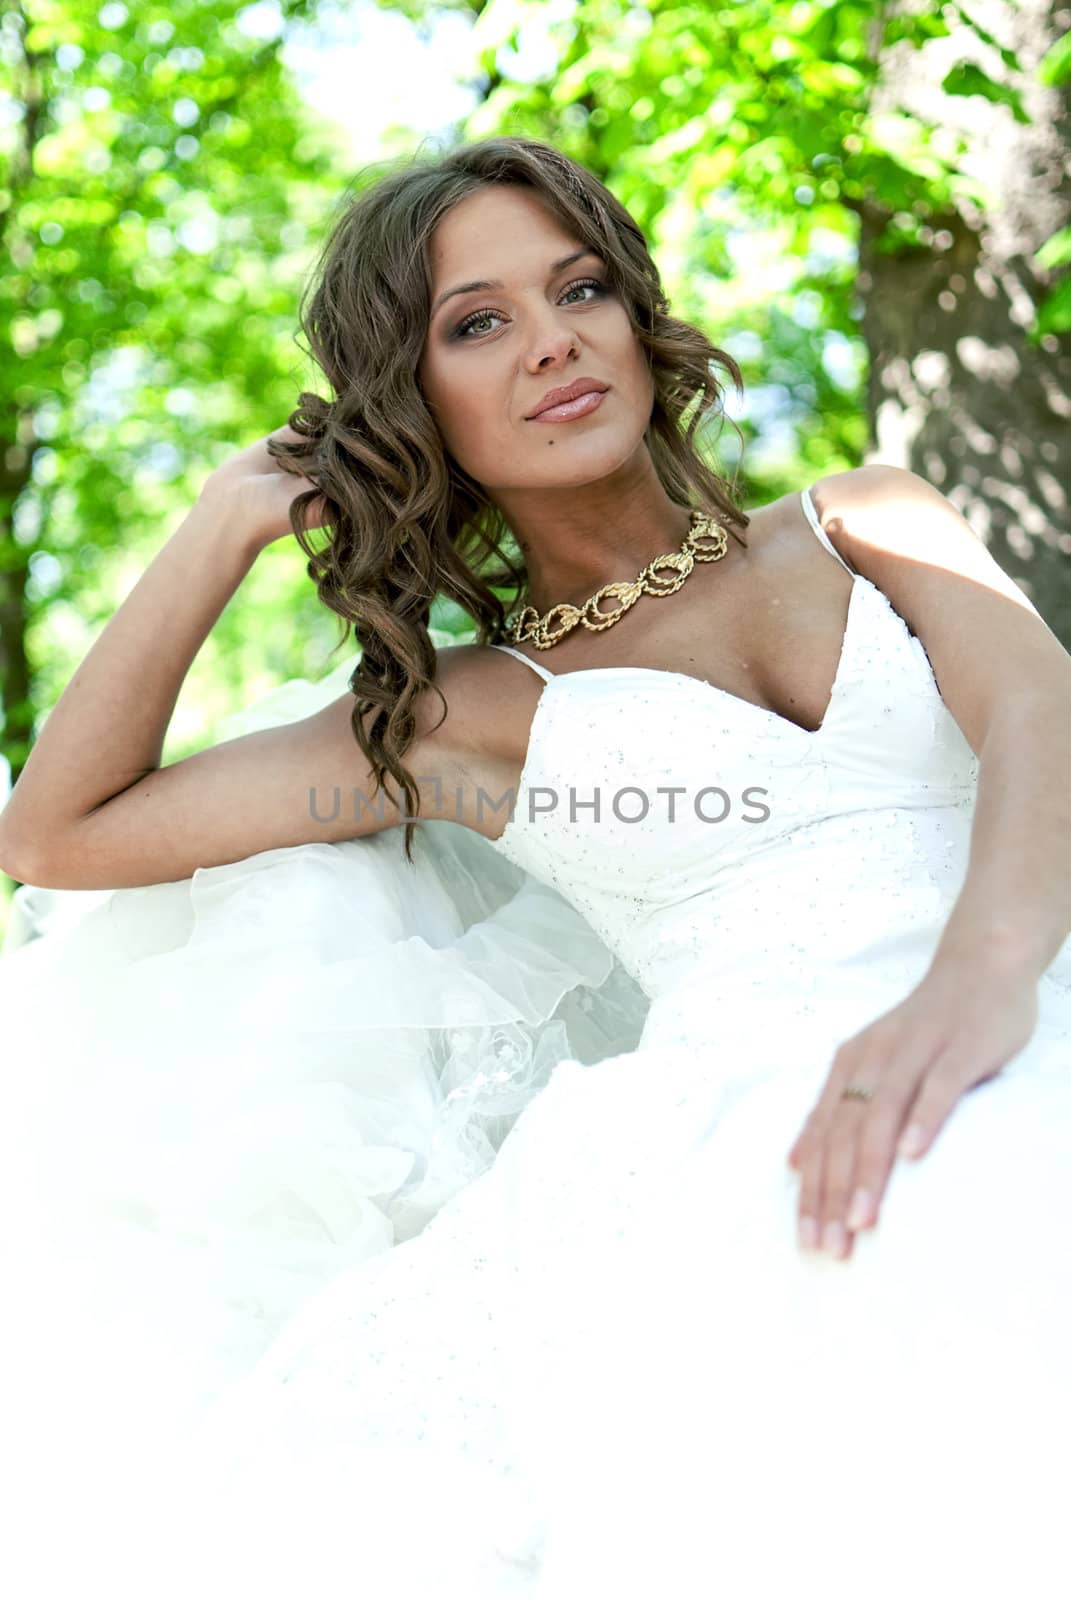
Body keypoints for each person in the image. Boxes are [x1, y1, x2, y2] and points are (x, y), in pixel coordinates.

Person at [1, 134, 1070, 1599]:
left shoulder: (867, 520)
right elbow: (61, 834)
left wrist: (982, 980)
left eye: (580, 289)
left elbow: (1038, 711)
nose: (554, 342)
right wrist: (225, 520)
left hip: (1021, 1001)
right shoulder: (459, 715)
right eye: (476, 322)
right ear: (410, 399)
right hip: (734, 1130)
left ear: (638, 315)